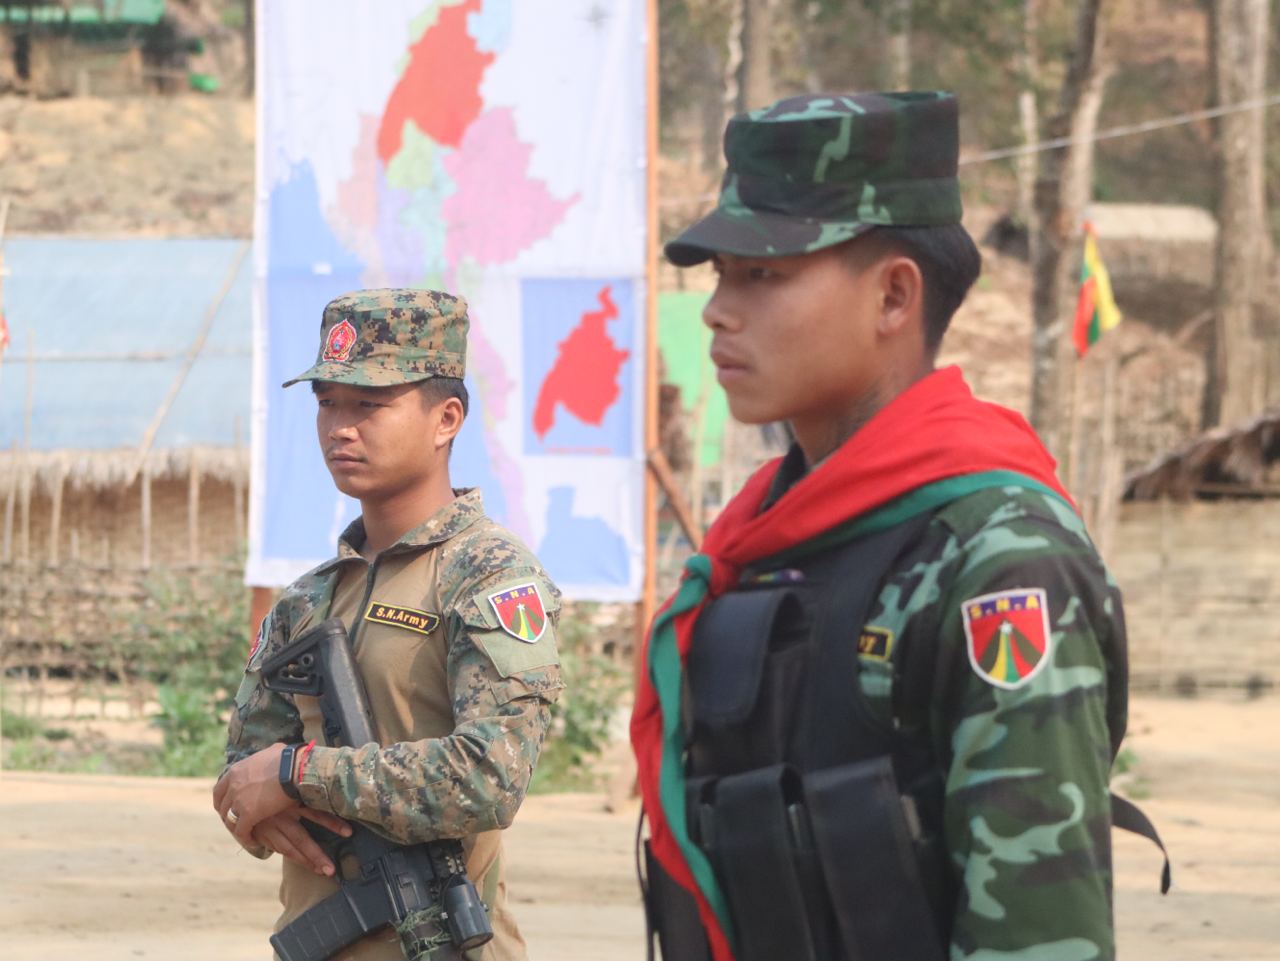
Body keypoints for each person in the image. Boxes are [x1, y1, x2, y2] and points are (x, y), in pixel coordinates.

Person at [631, 92, 1158, 961]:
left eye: (762, 275)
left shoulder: (999, 556)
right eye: (721, 274)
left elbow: (1038, 938)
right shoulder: (765, 538)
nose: (718, 310)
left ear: (893, 296)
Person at [214, 288, 564, 961]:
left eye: (369, 406)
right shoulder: (308, 599)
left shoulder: (488, 573)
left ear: (446, 419)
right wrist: (264, 794)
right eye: (327, 403)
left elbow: (491, 775)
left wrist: (299, 774)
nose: (340, 428)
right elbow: (243, 770)